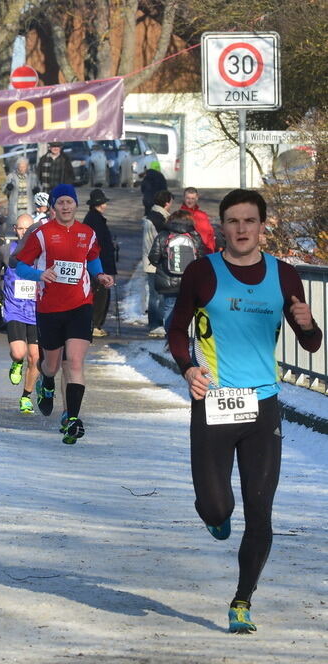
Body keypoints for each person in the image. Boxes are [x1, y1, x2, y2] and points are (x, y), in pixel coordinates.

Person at [167, 188, 322, 634]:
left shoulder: (285, 275)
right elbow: (177, 327)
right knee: (217, 506)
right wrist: (188, 367)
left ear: (261, 226)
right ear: (222, 226)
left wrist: (310, 325)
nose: (241, 229)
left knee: (260, 508)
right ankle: (216, 518)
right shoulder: (202, 272)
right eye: (233, 221)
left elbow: (310, 341)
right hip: (214, 401)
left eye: (249, 221)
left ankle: (241, 601)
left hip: (262, 405)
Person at [14, 184, 114, 444]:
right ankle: (45, 380)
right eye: (61, 202)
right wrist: (39, 274)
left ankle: (72, 418)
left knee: (76, 363)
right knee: (53, 364)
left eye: (70, 202)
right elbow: (20, 266)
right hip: (49, 307)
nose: (66, 206)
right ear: (53, 206)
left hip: (81, 305)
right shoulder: (42, 234)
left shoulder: (87, 233)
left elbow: (92, 259)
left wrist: (100, 275)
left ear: (76, 204)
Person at [0, 213, 40, 413]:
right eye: (21, 228)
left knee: (36, 358)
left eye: (28, 228)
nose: (24, 232)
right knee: (19, 352)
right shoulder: (7, 250)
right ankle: (16, 362)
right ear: (15, 229)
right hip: (14, 309)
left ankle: (26, 397)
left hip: (36, 311)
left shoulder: (41, 252)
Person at [148, 209, 206, 331]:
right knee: (188, 309)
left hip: (168, 280)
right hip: (190, 281)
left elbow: (153, 256)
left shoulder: (163, 235)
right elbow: (201, 258)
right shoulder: (195, 236)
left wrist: (163, 265)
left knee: (169, 307)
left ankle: (170, 337)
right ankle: (183, 335)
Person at [82, 189, 117, 337]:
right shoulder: (94, 220)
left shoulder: (94, 218)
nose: (105, 205)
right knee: (99, 296)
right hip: (99, 264)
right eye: (103, 203)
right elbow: (96, 245)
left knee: (102, 295)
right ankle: (94, 324)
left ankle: (97, 324)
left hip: (102, 262)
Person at [143, 190, 172, 337]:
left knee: (155, 294)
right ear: (167, 203)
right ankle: (155, 324)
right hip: (155, 262)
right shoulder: (159, 219)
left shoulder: (152, 215)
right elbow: (163, 241)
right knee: (156, 296)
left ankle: (155, 323)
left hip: (150, 261)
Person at [180, 187, 217, 254]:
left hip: (205, 252)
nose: (190, 201)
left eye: (193, 198)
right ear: (184, 198)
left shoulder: (202, 215)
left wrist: (211, 251)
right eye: (188, 198)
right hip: (187, 253)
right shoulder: (179, 216)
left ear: (197, 198)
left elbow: (210, 235)